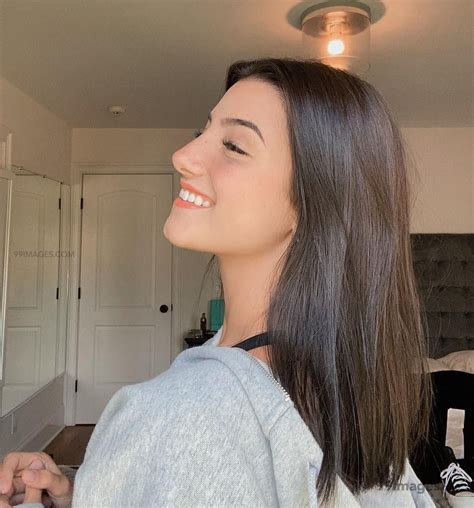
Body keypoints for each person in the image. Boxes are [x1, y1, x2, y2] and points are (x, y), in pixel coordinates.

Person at [0, 57, 436, 507]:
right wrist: (88, 493)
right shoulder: (346, 393)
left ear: (314, 203)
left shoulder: (174, 417)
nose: (183, 156)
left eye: (233, 145)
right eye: (202, 132)